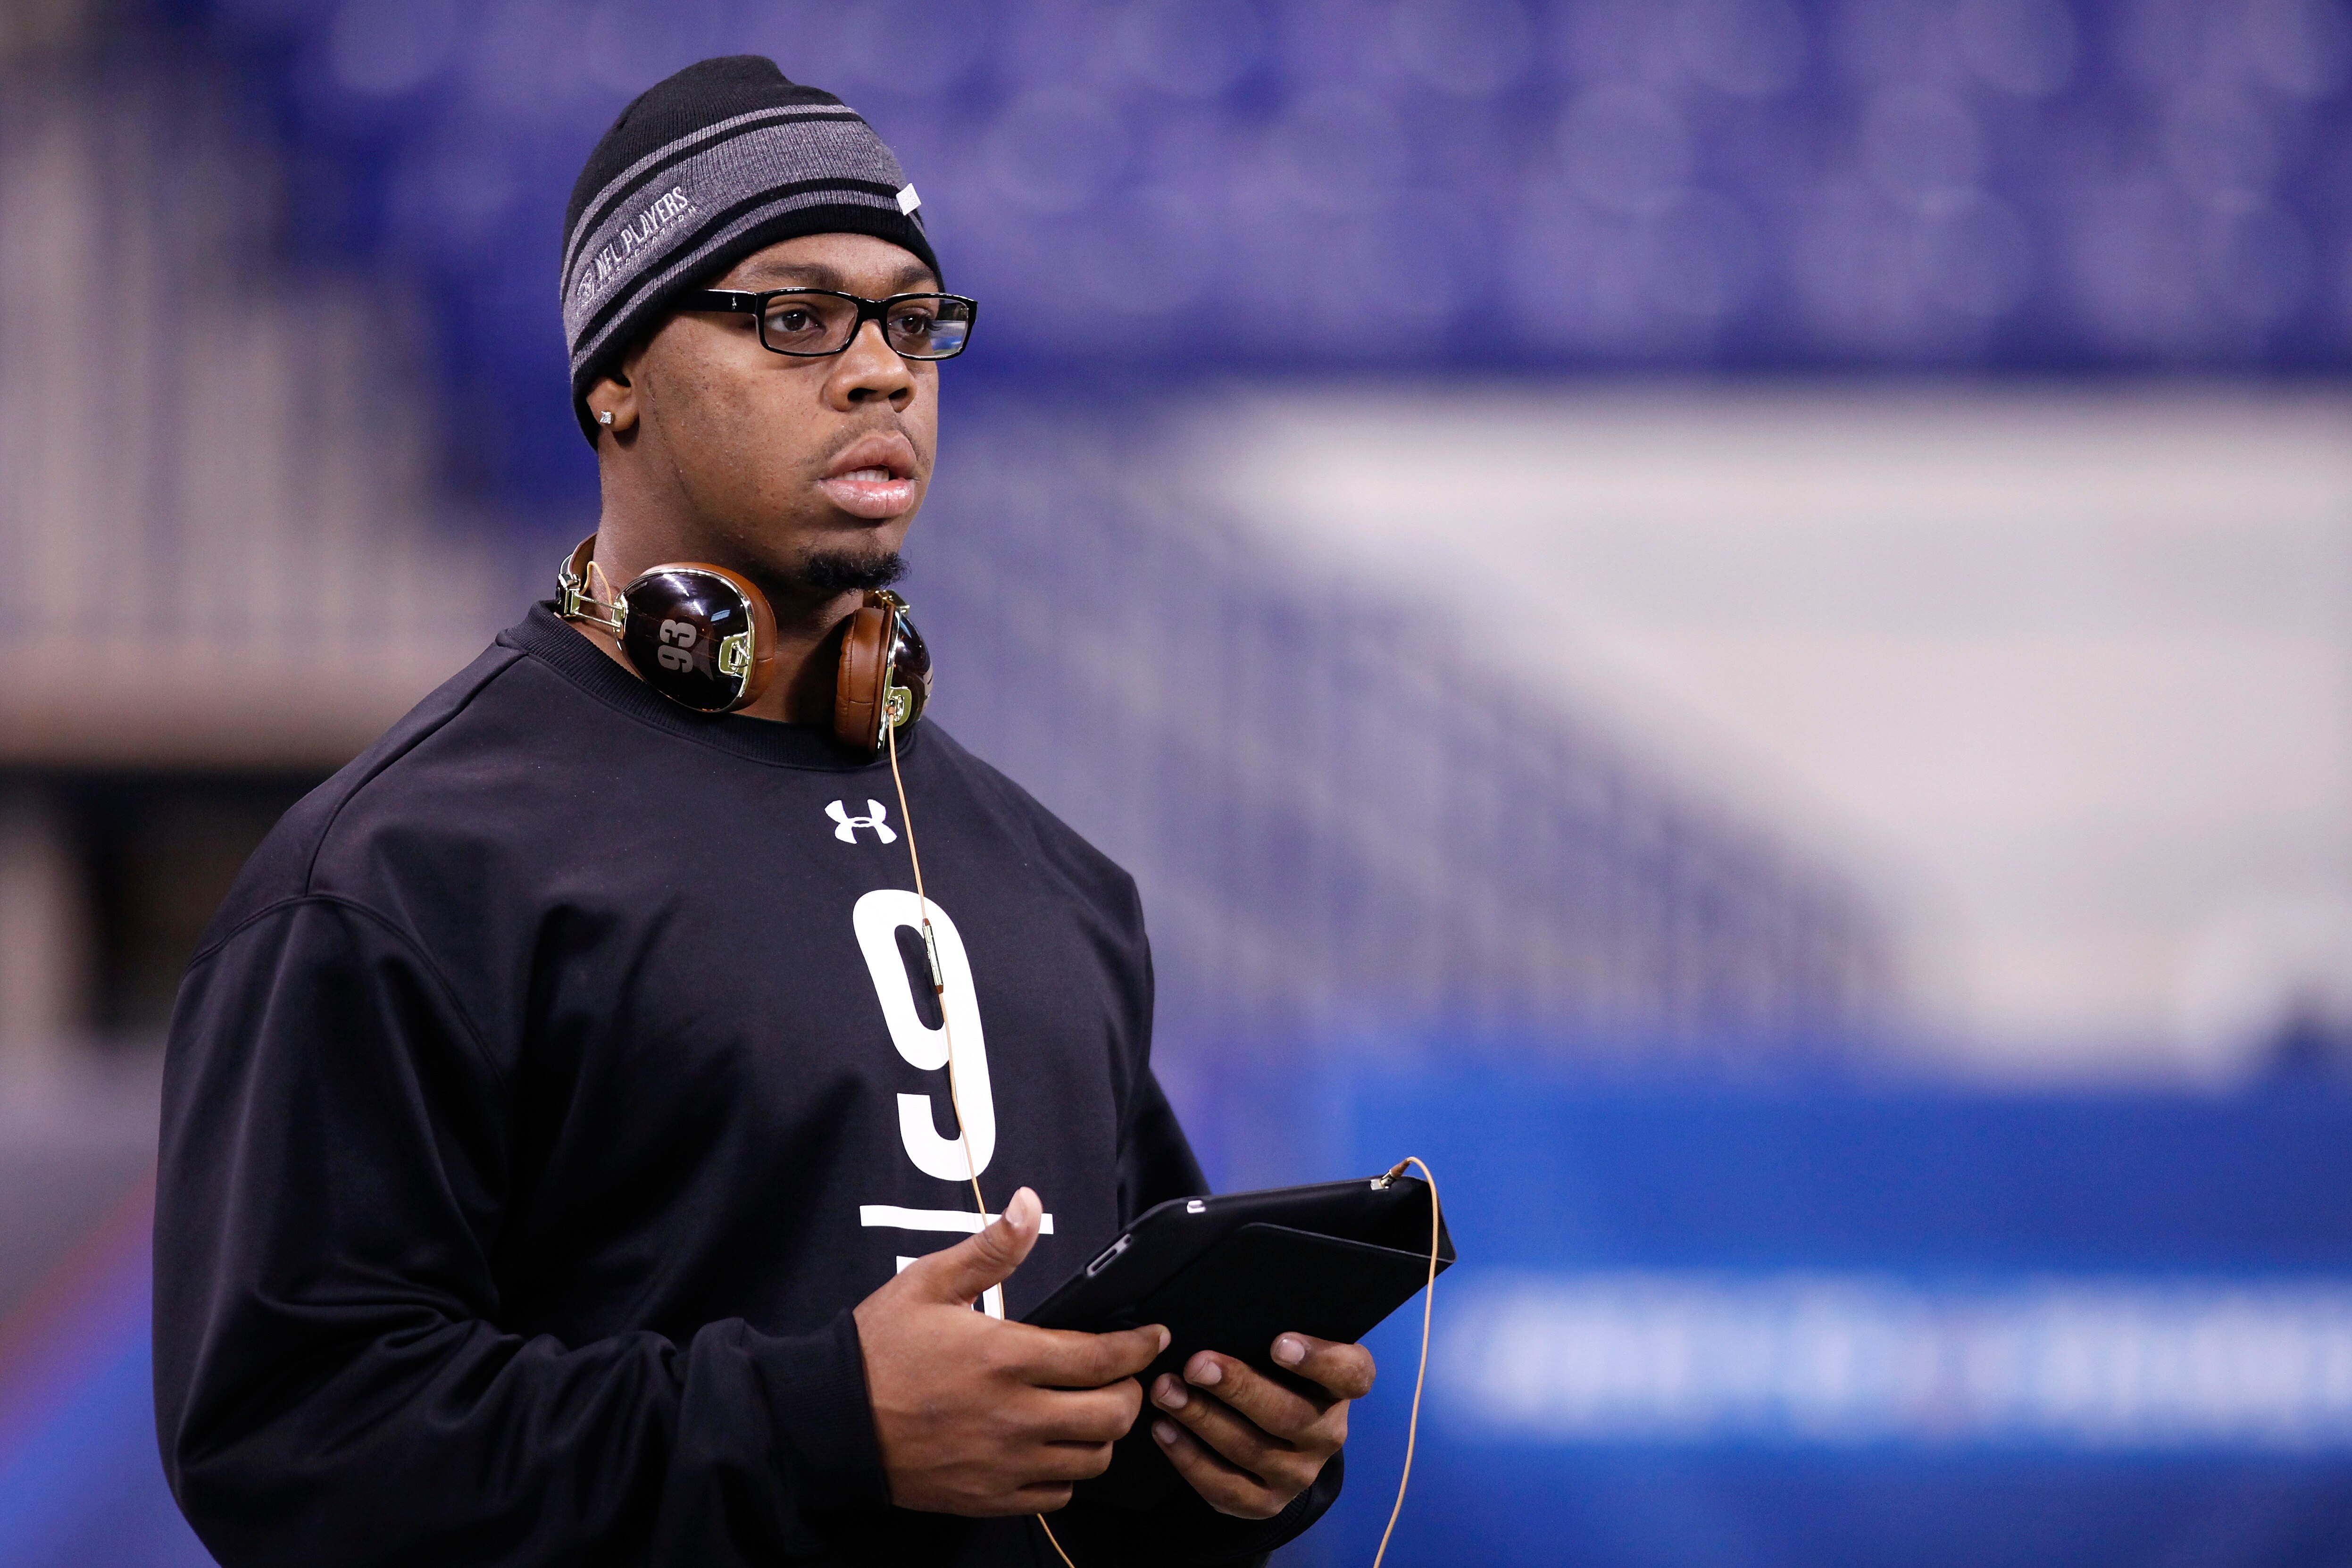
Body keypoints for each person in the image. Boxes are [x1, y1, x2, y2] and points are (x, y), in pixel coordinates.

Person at [152, 55, 1366, 1568]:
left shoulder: (1055, 881)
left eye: (914, 324)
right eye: (794, 319)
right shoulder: (405, 863)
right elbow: (290, 1443)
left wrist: (1226, 1452)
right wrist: (824, 1420)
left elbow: (1091, 1434)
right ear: (616, 379)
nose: (880, 372)